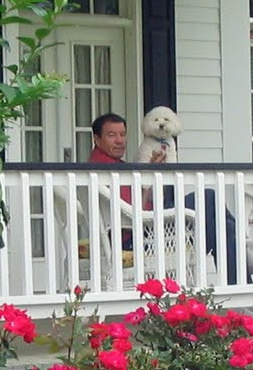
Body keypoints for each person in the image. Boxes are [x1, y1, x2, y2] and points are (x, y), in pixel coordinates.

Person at [85, 111, 239, 283]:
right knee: (209, 199)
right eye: (111, 135)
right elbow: (135, 212)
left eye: (123, 134)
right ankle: (238, 278)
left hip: (144, 230)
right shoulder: (105, 169)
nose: (120, 140)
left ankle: (236, 269)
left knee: (222, 225)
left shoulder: (110, 164)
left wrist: (152, 171)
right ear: (96, 139)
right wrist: (149, 177)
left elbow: (143, 201)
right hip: (136, 239)